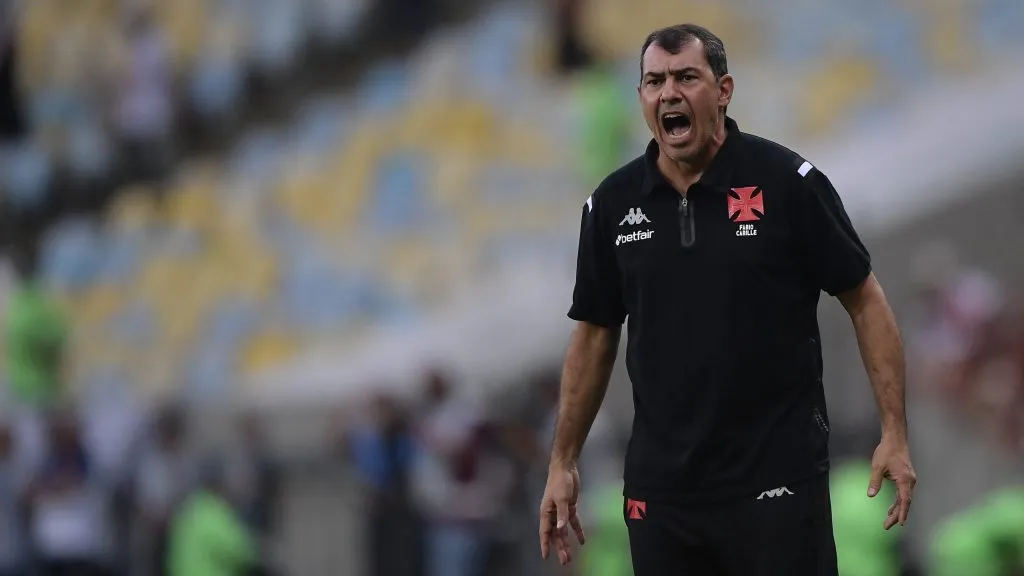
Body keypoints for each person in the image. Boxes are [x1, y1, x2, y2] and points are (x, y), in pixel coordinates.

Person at [538, 24, 917, 576]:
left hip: (777, 481)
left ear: (724, 90)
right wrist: (563, 460)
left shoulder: (788, 183)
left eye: (686, 77)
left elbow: (866, 300)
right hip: (663, 496)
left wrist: (894, 432)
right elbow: (595, 334)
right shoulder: (611, 206)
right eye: (653, 81)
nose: (668, 92)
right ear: (641, 98)